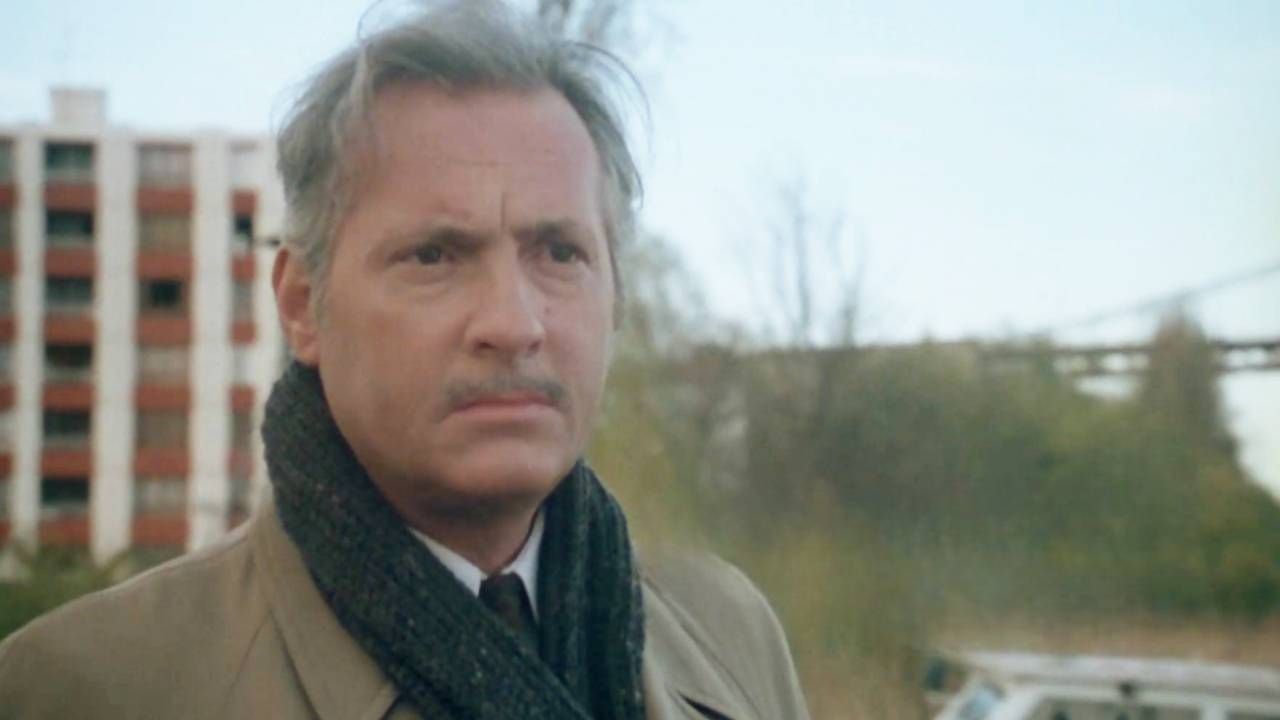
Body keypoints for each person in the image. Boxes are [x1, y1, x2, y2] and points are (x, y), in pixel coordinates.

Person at [0, 3, 810, 718]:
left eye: (560, 252)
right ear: (302, 306)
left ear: (617, 297)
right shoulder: (87, 687)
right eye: (435, 256)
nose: (513, 323)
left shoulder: (728, 635)